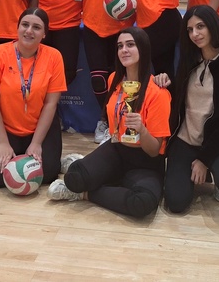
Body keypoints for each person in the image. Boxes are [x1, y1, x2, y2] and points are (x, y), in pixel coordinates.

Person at [47, 27, 171, 219]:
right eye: (120, 46)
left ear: (143, 49)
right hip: (117, 150)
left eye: (130, 45)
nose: (124, 50)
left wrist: (142, 129)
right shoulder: (114, 80)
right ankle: (86, 167)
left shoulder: (158, 92)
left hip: (146, 161)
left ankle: (86, 194)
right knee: (74, 178)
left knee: (141, 203)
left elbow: (154, 150)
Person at [51, 0, 145, 143]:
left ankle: (123, 122)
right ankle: (105, 120)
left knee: (122, 79)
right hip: (94, 24)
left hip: (121, 29)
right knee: (99, 79)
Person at [162, 5, 219, 213]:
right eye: (190, 29)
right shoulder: (189, 59)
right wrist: (165, 81)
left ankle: (213, 171)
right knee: (175, 203)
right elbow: (181, 97)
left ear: (212, 26)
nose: (195, 34)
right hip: (185, 139)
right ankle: (190, 172)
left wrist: (204, 159)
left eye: (200, 27)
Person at [0, 7, 66, 188]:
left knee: (48, 174)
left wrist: (36, 143)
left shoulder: (54, 56)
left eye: (36, 27)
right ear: (17, 28)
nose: (29, 31)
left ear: (44, 34)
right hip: (4, 126)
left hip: (38, 127)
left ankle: (58, 159)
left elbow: (51, 104)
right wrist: (2, 143)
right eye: (25, 25)